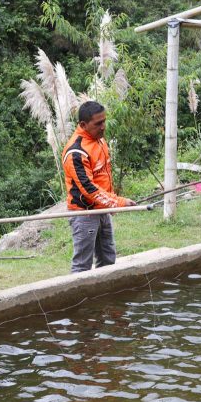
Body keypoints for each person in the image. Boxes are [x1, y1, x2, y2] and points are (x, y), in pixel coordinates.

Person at [62, 101, 136, 273]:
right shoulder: (76, 152)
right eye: (98, 123)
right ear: (83, 124)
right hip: (85, 213)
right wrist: (117, 202)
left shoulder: (99, 140)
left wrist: (110, 203)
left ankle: (107, 297)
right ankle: (79, 298)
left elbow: (103, 176)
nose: (103, 127)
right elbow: (89, 189)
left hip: (101, 209)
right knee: (82, 265)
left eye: (104, 121)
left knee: (108, 258)